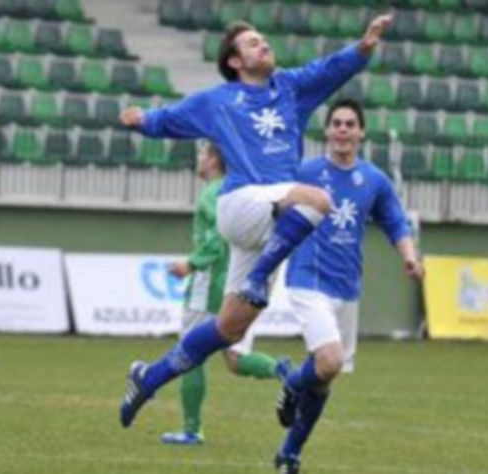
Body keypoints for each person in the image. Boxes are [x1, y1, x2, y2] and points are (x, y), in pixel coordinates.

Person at [118, 15, 395, 429]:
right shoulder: (217, 101)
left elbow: (330, 69)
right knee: (318, 199)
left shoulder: (290, 89)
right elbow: (168, 120)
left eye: (263, 40)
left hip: (270, 222)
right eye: (252, 43)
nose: (263, 45)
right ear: (234, 62)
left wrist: (364, 47)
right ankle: (258, 276)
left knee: (229, 329)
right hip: (241, 205)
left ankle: (149, 375)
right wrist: (141, 121)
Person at [268, 98, 423, 473]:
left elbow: (395, 222)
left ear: (361, 132)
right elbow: (273, 205)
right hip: (308, 279)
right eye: (336, 123)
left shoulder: (373, 179)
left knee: (325, 377)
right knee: (330, 360)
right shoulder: (306, 171)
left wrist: (409, 255)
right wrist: (280, 205)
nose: (342, 129)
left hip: (347, 287)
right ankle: (290, 381)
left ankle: (289, 454)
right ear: (328, 131)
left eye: (349, 124)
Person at [162, 141, 289, 446]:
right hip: (239, 287)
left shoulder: (211, 193)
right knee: (234, 358)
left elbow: (217, 240)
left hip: (208, 286)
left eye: (203, 154)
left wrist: (189, 263)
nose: (199, 159)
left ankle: (192, 430)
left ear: (214, 161)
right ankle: (282, 371)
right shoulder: (238, 193)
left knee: (188, 353)